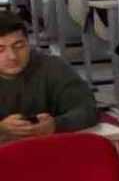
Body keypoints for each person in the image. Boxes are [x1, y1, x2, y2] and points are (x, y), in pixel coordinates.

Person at [0, 12, 97, 140]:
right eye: (0, 50)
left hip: (49, 145)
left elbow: (88, 109)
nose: (12, 56)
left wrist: (55, 125)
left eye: (19, 46)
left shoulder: (52, 67)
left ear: (28, 43)